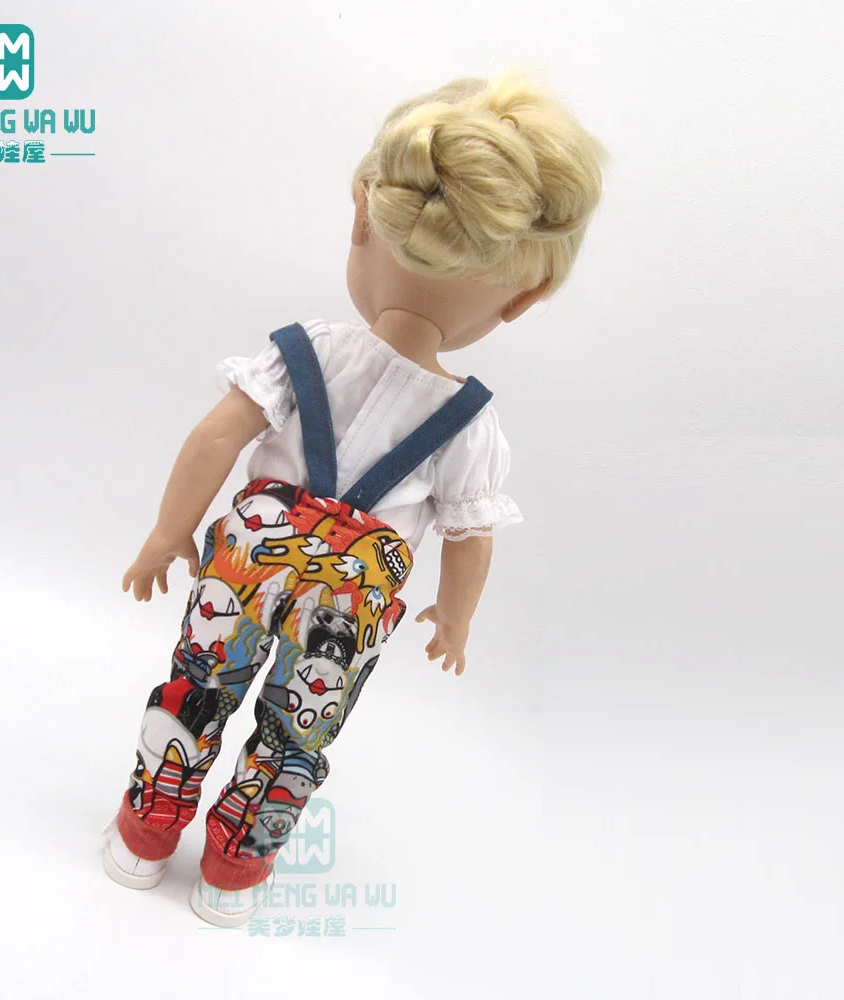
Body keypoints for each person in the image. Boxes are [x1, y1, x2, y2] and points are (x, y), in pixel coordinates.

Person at [103, 67, 610, 927]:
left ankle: (145, 832)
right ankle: (234, 868)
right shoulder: (469, 424)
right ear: (525, 299)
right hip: (349, 608)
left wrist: (168, 530)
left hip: (243, 571)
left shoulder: (305, 352)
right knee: (295, 735)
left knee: (197, 688)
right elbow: (471, 538)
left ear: (361, 213)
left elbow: (214, 438)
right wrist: (455, 619)